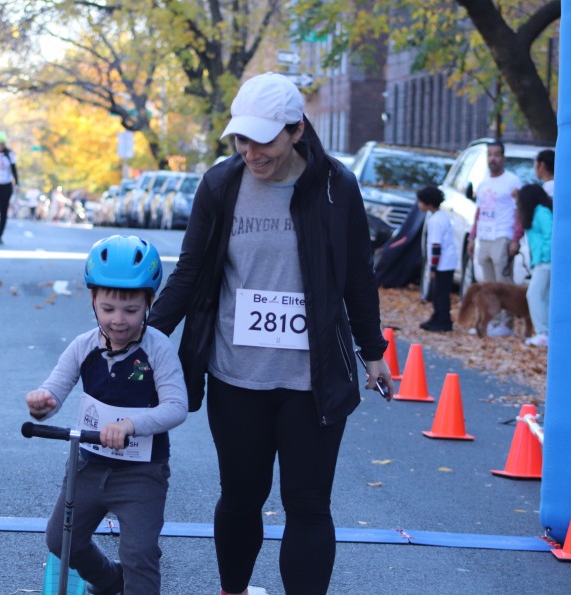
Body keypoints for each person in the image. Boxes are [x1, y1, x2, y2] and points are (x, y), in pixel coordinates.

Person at [146, 72, 393, 595]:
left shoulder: (335, 186)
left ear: (296, 130)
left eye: (264, 140)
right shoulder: (220, 184)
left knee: (308, 502)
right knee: (240, 496)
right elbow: (190, 273)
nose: (251, 152)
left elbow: (356, 275)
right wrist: (142, 336)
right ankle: (231, 590)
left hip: (313, 378)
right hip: (237, 376)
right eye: (241, 139)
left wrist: (373, 351)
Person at [25, 235, 188, 595]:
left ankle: (131, 581)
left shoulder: (157, 348)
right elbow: (55, 387)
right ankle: (108, 580)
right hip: (89, 466)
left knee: (140, 553)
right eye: (108, 308)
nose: (118, 320)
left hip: (141, 473)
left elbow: (176, 407)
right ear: (93, 301)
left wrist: (131, 424)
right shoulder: (83, 346)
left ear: (149, 302)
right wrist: (43, 402)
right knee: (60, 540)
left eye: (131, 311)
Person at [466, 141, 523, 337]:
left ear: (503, 158)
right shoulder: (483, 182)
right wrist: (472, 237)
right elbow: (479, 212)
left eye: (497, 154)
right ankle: (490, 320)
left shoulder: (512, 181)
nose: (493, 158)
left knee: (503, 284)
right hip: (485, 235)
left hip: (502, 234)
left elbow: (518, 212)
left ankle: (506, 324)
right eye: (490, 155)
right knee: (488, 285)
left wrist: (515, 238)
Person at [517, 184, 553, 347]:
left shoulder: (540, 212)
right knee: (542, 296)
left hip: (545, 261)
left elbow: (550, 234)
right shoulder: (539, 212)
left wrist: (544, 256)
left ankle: (543, 333)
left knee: (534, 294)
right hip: (542, 261)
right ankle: (544, 332)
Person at [417, 186, 457, 332]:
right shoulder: (441, 216)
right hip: (447, 261)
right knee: (437, 292)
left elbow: (436, 245)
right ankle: (437, 316)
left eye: (420, 202)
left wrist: (433, 267)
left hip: (442, 263)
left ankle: (443, 320)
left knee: (441, 293)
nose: (418, 204)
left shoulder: (435, 221)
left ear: (428, 203)